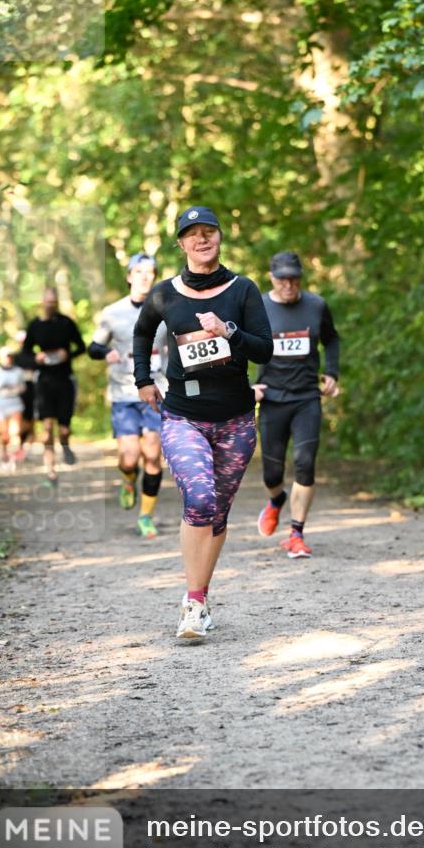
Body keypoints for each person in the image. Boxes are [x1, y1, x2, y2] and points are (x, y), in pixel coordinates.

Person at [133, 206, 273, 644]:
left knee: (218, 512)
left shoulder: (243, 290)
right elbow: (142, 333)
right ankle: (192, 605)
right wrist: (142, 380)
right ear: (181, 244)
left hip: (234, 420)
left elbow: (265, 350)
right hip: (183, 417)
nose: (201, 240)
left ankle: (201, 597)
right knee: (199, 497)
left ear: (219, 237)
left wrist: (228, 331)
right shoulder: (165, 294)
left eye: (208, 232)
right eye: (191, 234)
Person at [254, 251, 340, 559]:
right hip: (272, 398)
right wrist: (246, 386)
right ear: (272, 278)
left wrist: (331, 372)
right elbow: (237, 345)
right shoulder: (258, 307)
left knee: (305, 462)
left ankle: (296, 533)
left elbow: (331, 339)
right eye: (283, 279)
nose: (289, 285)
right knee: (271, 474)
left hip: (306, 398)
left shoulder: (316, 306)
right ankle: (276, 500)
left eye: (294, 278)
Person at [88, 253, 167, 539]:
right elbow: (92, 346)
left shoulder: (164, 310)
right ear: (129, 276)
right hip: (123, 393)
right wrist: (105, 352)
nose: (145, 277)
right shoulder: (113, 312)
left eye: (151, 272)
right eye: (140, 271)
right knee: (130, 457)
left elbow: (177, 348)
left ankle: (146, 516)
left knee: (153, 454)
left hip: (158, 391)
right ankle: (129, 479)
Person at [20, 287, 85, 484]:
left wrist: (68, 355)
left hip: (65, 380)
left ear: (57, 303)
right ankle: (51, 471)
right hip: (44, 382)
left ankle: (66, 444)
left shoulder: (67, 323)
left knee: (63, 430)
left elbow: (81, 347)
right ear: (42, 302)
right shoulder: (34, 326)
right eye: (47, 301)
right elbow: (23, 355)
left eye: (53, 302)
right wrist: (36, 357)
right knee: (47, 429)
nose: (50, 305)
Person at [0, 346, 26, 467]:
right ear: (0, 358)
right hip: (1, 404)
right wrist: (0, 385)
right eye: (4, 357)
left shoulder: (18, 371)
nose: (7, 359)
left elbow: (23, 387)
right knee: (4, 434)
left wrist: (17, 389)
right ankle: (4, 453)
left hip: (15, 402)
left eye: (9, 356)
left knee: (16, 431)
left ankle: (16, 457)